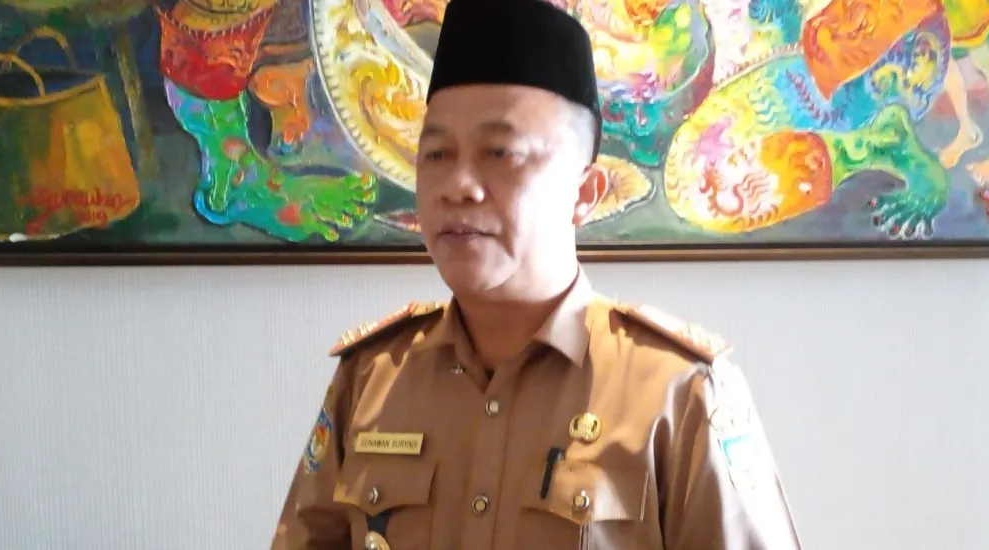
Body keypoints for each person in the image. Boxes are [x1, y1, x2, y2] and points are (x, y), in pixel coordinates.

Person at [269, 0, 804, 547]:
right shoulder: (370, 379)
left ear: (585, 193)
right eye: (436, 154)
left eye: (500, 153)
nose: (458, 186)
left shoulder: (679, 392)